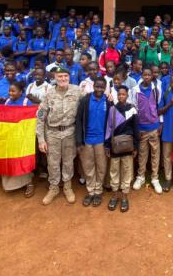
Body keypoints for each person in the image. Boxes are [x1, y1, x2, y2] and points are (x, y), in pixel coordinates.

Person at [35, 68, 82, 205]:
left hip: (69, 132)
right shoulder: (49, 94)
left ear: (69, 77)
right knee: (53, 162)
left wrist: (108, 96)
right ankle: (54, 188)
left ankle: (67, 187)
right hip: (52, 134)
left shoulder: (77, 90)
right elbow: (40, 118)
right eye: (60, 76)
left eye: (65, 76)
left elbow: (90, 100)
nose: (63, 79)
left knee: (68, 161)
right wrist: (41, 140)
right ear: (55, 77)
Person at [75, 78, 109, 207]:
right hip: (87, 140)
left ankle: (98, 191)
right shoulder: (85, 100)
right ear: (93, 86)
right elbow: (78, 121)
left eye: (102, 87)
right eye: (97, 86)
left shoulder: (108, 101)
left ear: (105, 88)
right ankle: (90, 191)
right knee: (88, 167)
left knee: (101, 167)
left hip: (101, 141)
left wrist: (108, 142)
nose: (99, 89)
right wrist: (79, 141)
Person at [105, 85, 139, 213]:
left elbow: (136, 129)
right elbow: (109, 128)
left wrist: (136, 146)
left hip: (128, 146)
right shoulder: (113, 109)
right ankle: (114, 196)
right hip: (115, 146)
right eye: (119, 94)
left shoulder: (132, 110)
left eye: (123, 94)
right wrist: (107, 145)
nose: (121, 96)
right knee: (114, 170)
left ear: (127, 95)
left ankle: (124, 196)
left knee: (127, 170)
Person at [131, 66, 163, 194]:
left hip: (154, 127)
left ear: (152, 76)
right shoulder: (135, 90)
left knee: (155, 153)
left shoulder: (157, 90)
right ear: (141, 76)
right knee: (142, 153)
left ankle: (155, 178)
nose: (147, 77)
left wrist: (160, 123)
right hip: (141, 128)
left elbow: (159, 106)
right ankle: (141, 176)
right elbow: (134, 109)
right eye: (145, 75)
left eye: (149, 75)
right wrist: (136, 127)